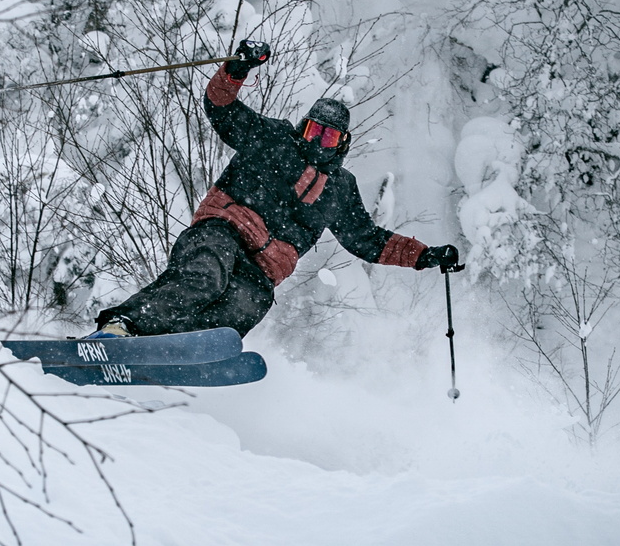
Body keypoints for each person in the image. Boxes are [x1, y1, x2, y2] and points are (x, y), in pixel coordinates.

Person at [92, 40, 461, 339]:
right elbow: (222, 108)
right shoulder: (274, 139)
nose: (317, 141)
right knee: (206, 275)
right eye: (312, 131)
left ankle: (178, 345)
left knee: (246, 305)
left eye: (328, 136)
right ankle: (123, 326)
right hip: (224, 231)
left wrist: (425, 256)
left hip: (264, 268)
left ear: (341, 144)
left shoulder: (340, 189)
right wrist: (237, 70)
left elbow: (368, 240)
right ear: (302, 128)